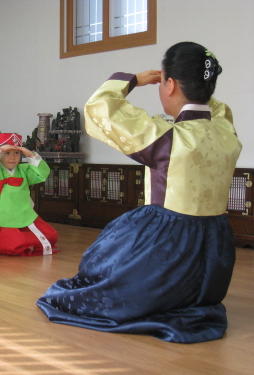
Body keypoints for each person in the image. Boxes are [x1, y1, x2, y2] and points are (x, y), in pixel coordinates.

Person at [36, 42, 242, 343]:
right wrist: (198, 84)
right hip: (215, 251)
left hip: (170, 247)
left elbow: (98, 109)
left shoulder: (169, 137)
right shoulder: (226, 130)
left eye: (164, 82)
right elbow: (217, 108)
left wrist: (132, 80)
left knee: (99, 267)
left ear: (169, 84)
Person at [0, 133, 58, 256]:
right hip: (1, 215)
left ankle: (27, 243)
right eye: (7, 153)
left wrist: (31, 155)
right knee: (13, 240)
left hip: (23, 213)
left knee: (51, 235)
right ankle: (23, 244)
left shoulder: (24, 170)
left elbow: (41, 174)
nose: (12, 158)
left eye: (16, 153)